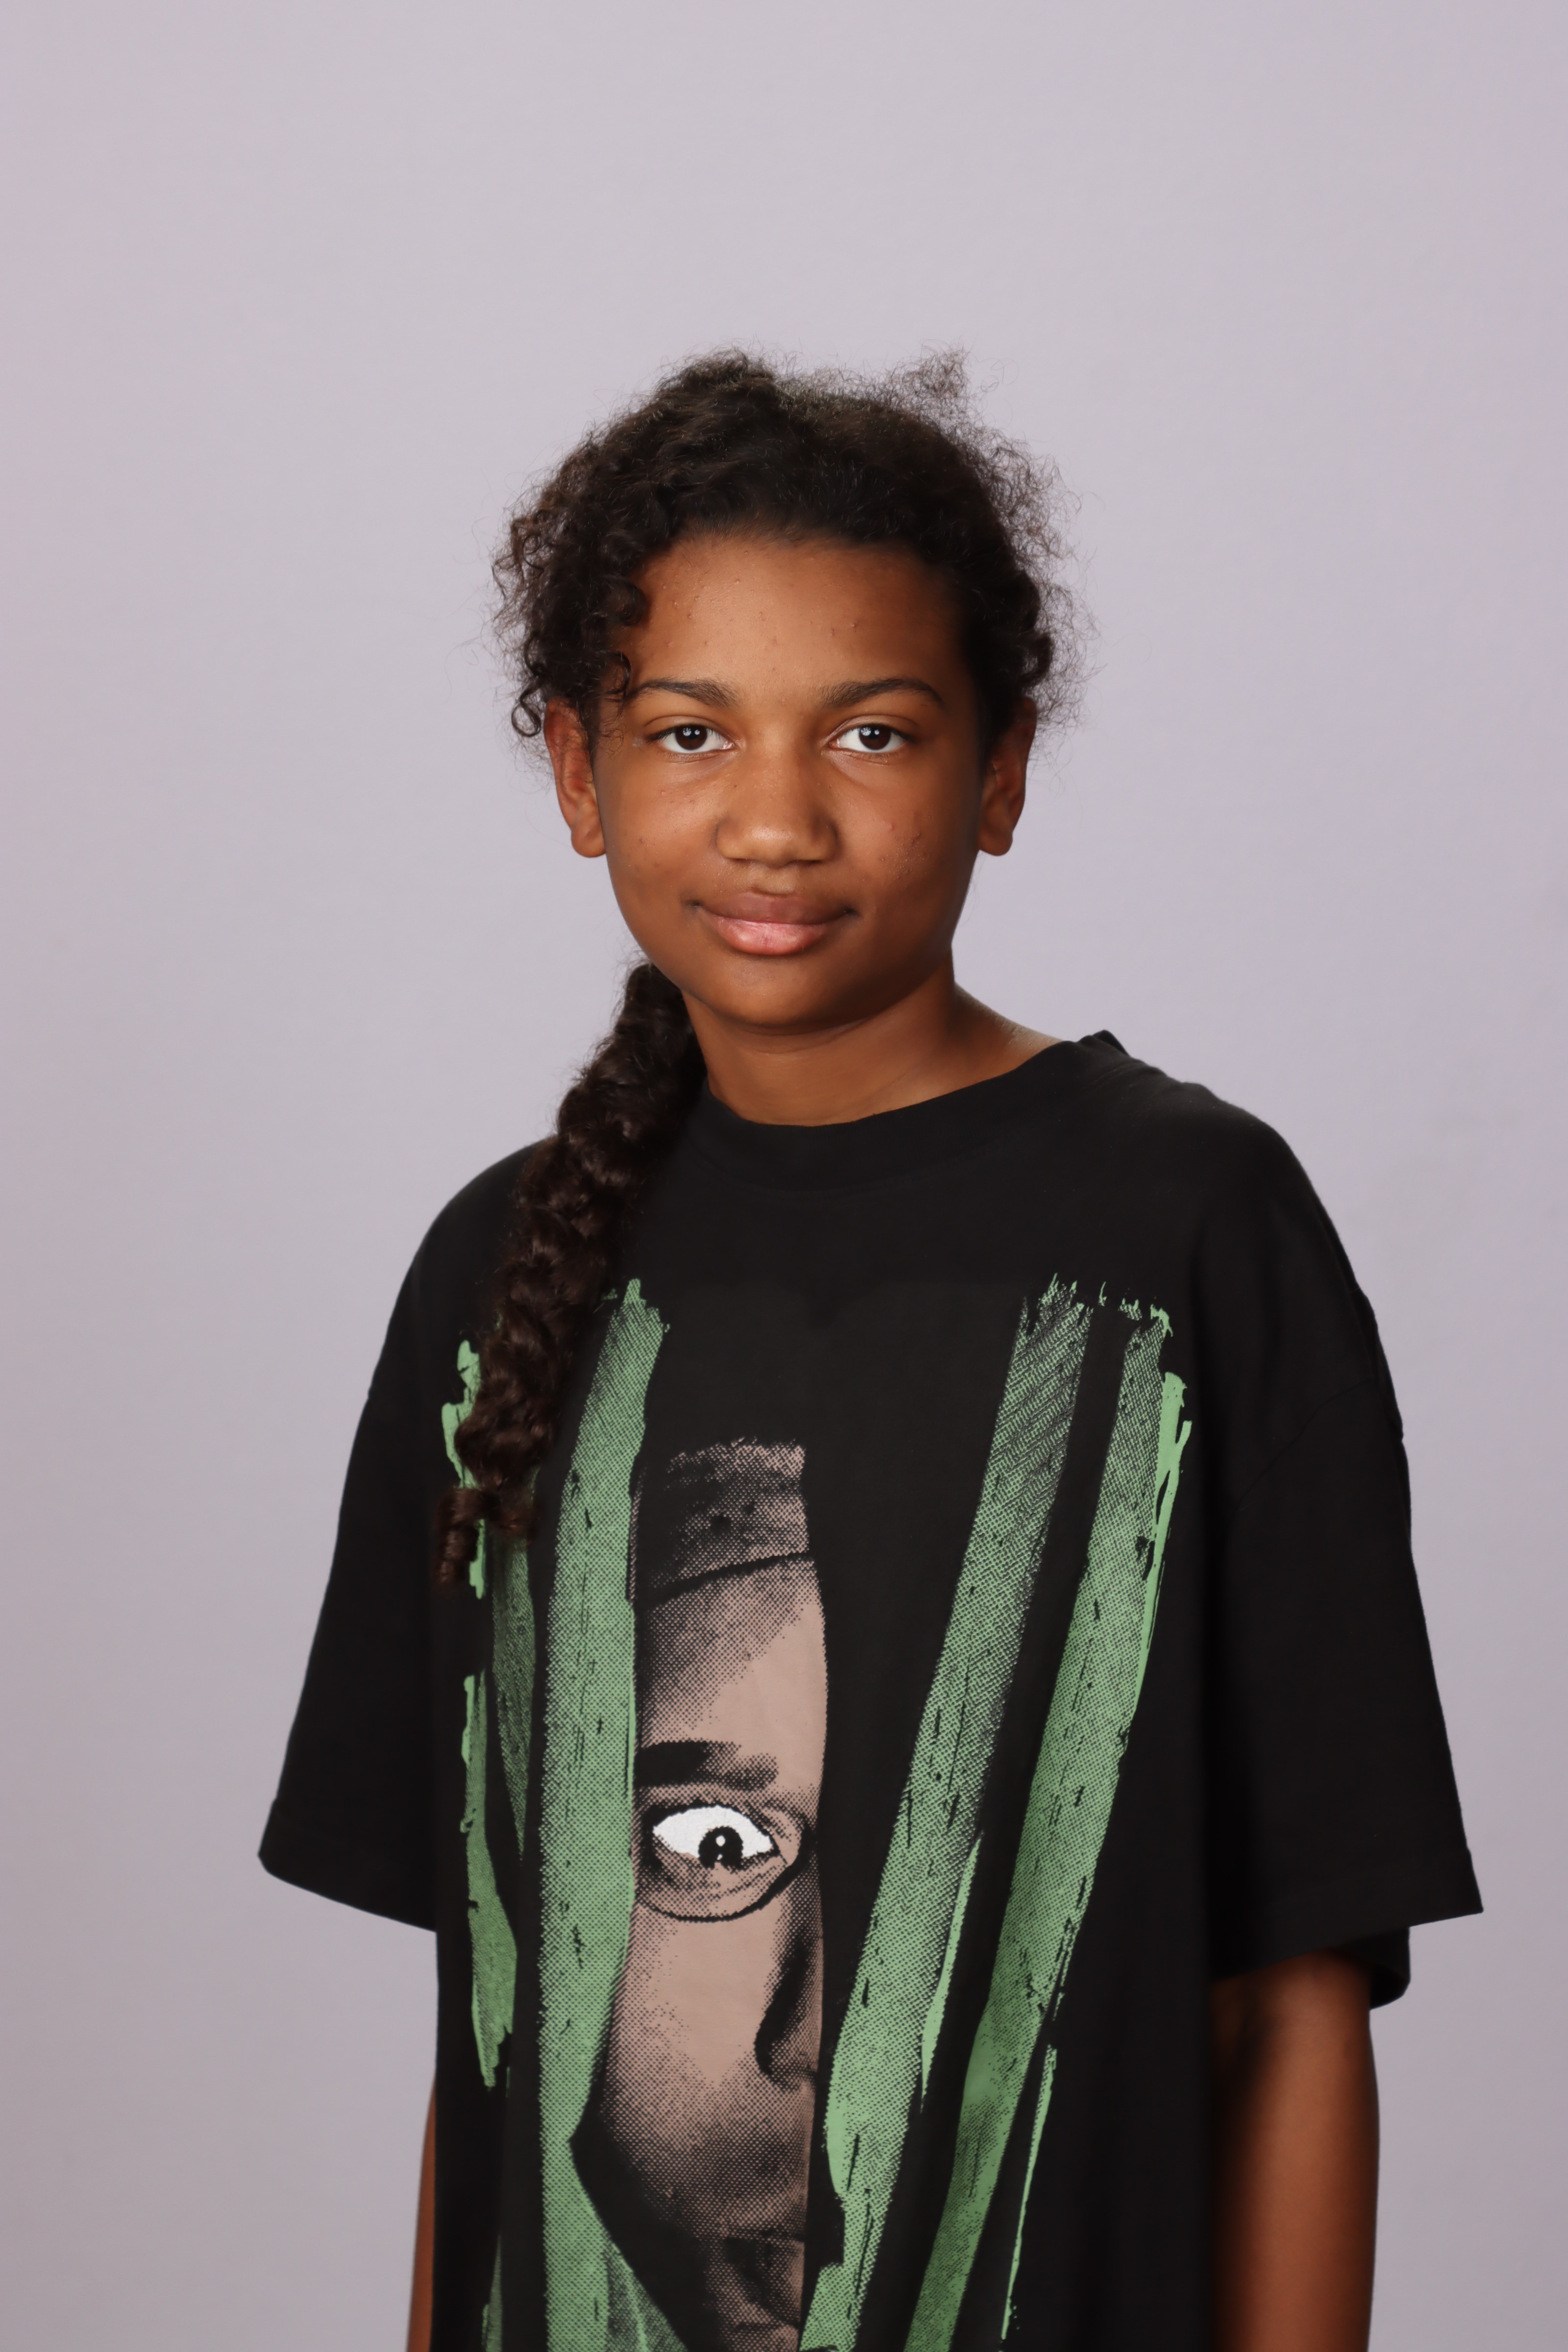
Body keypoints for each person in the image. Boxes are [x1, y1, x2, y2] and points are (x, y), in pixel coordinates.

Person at [261, 353, 1480, 2352]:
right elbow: (496, 2034)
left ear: (1000, 773)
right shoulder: (494, 1280)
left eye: (873, 732)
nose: (773, 817)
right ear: (577, 772)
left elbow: (1292, 2006)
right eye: (688, 731)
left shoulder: (1188, 1236)